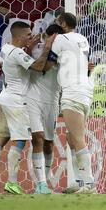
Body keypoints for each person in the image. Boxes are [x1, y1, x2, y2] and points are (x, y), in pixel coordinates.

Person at [0, 21, 56, 195]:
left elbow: (17, 61)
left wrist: (27, 48)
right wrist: (48, 48)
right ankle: (12, 182)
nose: (31, 37)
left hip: (4, 98)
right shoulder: (16, 54)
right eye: (28, 35)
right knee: (20, 140)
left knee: (1, 138)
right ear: (19, 36)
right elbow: (38, 67)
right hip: (17, 101)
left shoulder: (6, 49)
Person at [42, 12, 95, 194]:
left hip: (72, 91)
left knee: (78, 138)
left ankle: (88, 184)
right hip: (86, 89)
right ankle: (78, 181)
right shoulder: (82, 38)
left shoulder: (60, 39)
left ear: (63, 24)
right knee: (71, 138)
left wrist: (47, 47)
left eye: (58, 22)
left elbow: (47, 65)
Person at [27, 23, 64, 194]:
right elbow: (40, 68)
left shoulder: (65, 51)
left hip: (53, 100)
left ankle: (46, 180)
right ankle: (40, 183)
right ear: (46, 36)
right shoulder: (38, 48)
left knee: (49, 142)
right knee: (38, 138)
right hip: (33, 97)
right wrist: (46, 47)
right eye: (53, 38)